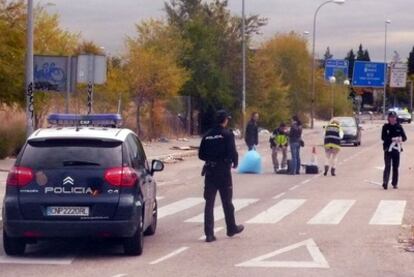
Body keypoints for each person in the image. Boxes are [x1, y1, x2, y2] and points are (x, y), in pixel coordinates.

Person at [199, 110, 244, 242]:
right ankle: (231, 228)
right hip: (223, 172)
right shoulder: (227, 134)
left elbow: (201, 155)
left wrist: (210, 158)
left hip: (210, 171)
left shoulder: (207, 135)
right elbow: (232, 151)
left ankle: (209, 234)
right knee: (227, 202)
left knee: (209, 203)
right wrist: (234, 162)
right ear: (225, 120)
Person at [381, 111, 407, 190]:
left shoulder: (399, 127)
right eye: (391, 117)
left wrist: (400, 139)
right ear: (388, 118)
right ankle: (385, 182)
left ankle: (394, 183)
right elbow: (383, 137)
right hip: (388, 149)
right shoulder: (385, 127)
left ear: (396, 118)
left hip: (396, 149)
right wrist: (391, 139)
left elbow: (405, 138)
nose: (392, 119)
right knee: (387, 165)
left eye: (394, 117)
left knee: (395, 167)